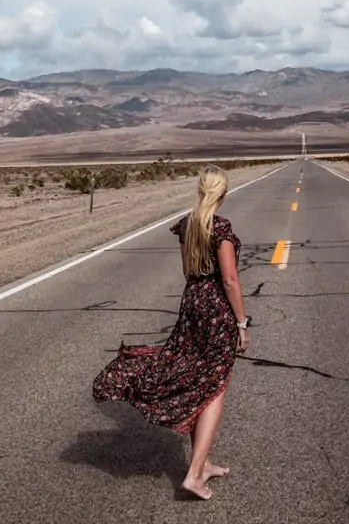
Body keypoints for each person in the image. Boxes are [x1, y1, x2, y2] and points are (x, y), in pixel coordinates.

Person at [92, 164, 250, 500]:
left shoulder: (189, 224)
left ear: (200, 190)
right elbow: (230, 280)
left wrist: (197, 301)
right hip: (215, 308)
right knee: (215, 385)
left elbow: (187, 269)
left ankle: (202, 463)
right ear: (222, 192)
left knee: (198, 377)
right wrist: (241, 322)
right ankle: (193, 474)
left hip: (191, 301)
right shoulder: (219, 227)